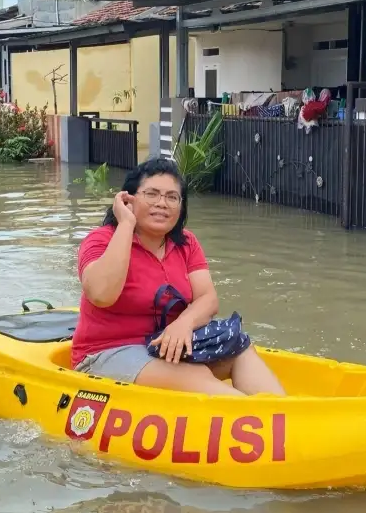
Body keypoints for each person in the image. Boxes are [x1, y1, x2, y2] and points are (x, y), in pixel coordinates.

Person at [72, 158, 286, 397]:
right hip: (107, 352)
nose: (162, 203)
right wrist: (126, 224)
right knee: (198, 376)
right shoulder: (101, 240)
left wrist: (183, 323)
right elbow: (101, 295)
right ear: (128, 199)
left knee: (239, 347)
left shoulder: (186, 243)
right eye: (151, 194)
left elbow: (207, 298)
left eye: (172, 197)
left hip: (169, 347)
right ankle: (254, 420)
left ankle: (285, 417)